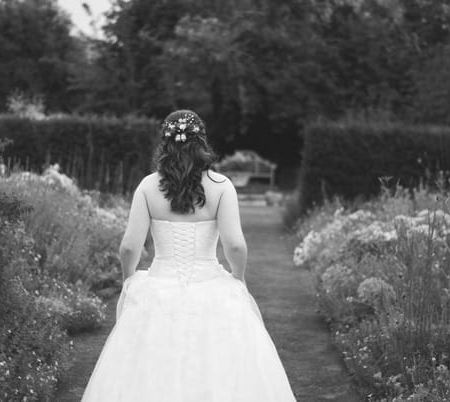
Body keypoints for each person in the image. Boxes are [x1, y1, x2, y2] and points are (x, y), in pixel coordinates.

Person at [81, 110, 297, 402]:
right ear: (202, 143)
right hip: (211, 284)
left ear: (164, 144)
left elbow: (130, 247)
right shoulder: (221, 187)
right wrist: (238, 278)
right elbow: (235, 246)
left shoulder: (147, 186)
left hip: (159, 284)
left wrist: (129, 280)